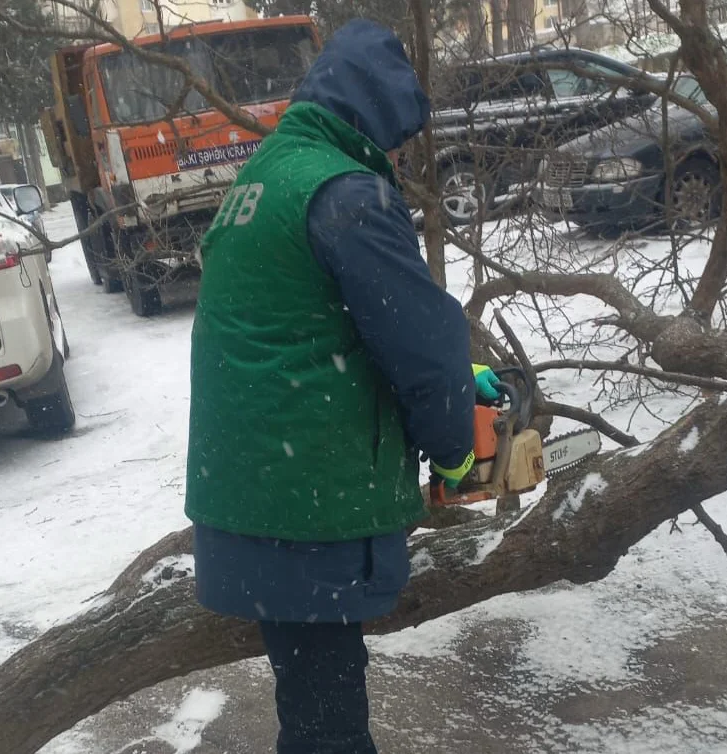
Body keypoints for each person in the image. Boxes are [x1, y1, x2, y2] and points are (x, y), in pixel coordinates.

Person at [184, 19, 501, 754]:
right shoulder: (348, 194)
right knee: (329, 725)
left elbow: (301, 326)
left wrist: (464, 380)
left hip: (252, 493)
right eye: (395, 138)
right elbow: (425, 343)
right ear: (372, 118)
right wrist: (456, 447)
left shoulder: (269, 173)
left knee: (312, 701)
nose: (396, 155)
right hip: (307, 510)